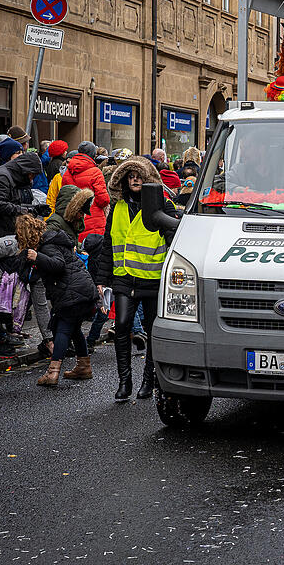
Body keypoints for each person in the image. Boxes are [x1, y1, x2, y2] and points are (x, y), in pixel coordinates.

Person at [96, 157, 177, 402]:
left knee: (152, 332)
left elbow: (174, 239)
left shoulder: (164, 205)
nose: (134, 180)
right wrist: (101, 278)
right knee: (122, 325)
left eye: (139, 176)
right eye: (130, 177)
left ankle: (148, 380)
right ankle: (124, 382)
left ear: (148, 179)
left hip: (153, 278)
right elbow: (108, 243)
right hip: (124, 278)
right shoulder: (118, 207)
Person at [19, 186, 100, 387]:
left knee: (62, 329)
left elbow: (58, 264)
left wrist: (37, 257)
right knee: (74, 329)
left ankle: (53, 372)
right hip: (78, 289)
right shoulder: (50, 240)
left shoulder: (47, 245)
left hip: (73, 292)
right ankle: (84, 366)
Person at [0, 151, 48, 242]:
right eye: (31, 174)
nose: (31, 178)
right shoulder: (2, 177)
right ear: (25, 170)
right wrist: (27, 209)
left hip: (3, 229)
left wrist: (34, 208)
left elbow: (12, 203)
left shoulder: (13, 177)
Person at [62, 142, 111, 241]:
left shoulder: (67, 173)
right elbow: (103, 200)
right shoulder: (96, 172)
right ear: (93, 154)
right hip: (94, 219)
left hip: (72, 219)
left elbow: (64, 197)